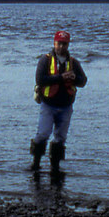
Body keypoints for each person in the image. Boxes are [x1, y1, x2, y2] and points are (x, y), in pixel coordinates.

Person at [31, 30, 87, 174]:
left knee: (60, 137)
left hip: (66, 106)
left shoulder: (74, 62)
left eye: (64, 44)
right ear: (54, 43)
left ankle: (55, 167)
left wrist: (74, 78)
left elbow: (83, 81)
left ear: (68, 45)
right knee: (43, 133)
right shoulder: (45, 60)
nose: (61, 47)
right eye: (59, 43)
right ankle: (35, 164)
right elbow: (40, 79)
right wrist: (61, 77)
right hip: (48, 105)